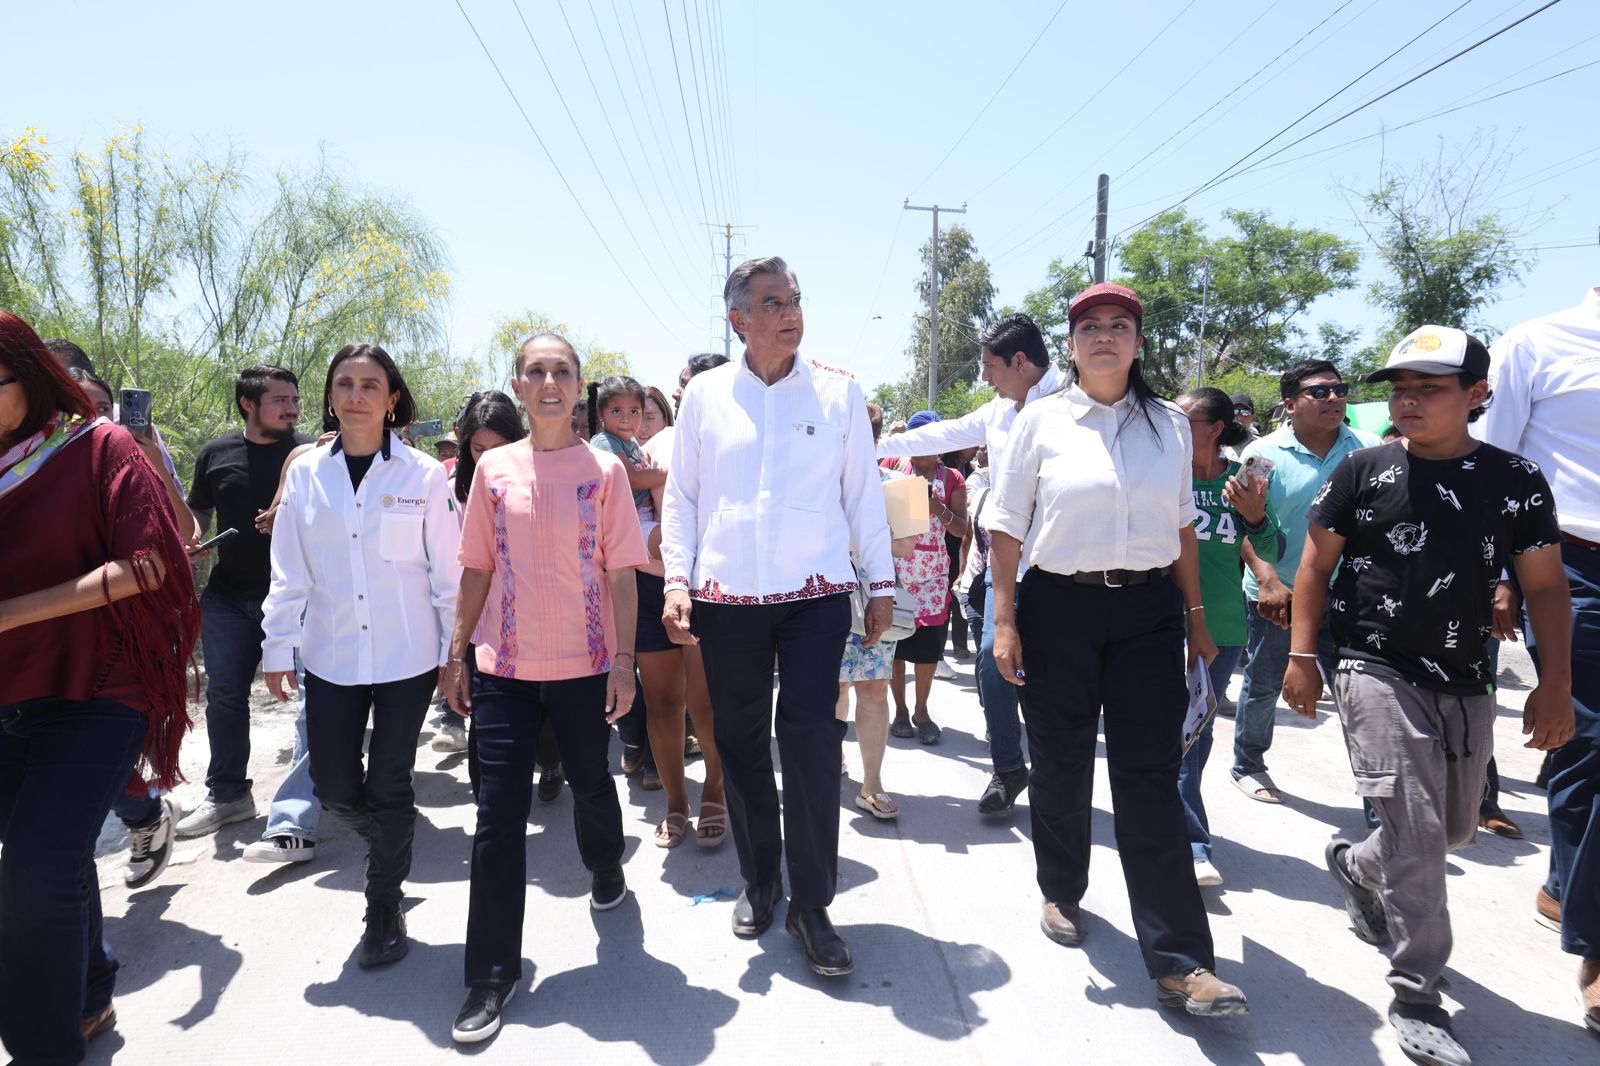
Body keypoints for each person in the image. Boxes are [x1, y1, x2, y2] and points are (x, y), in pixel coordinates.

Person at [1285, 325, 1574, 1063]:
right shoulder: (1362, 471)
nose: (1408, 401)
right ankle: (1418, 992)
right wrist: (1302, 656)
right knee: (1418, 830)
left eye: (1430, 388)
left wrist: (1556, 684)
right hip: (1370, 665)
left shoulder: (1516, 480)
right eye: (1399, 388)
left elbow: (1543, 586)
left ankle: (1358, 866)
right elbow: (1314, 569)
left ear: (1479, 396)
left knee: (1450, 832)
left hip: (1466, 674)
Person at [987, 282, 1247, 1017]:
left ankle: (1182, 962)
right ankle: (1062, 888)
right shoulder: (1040, 422)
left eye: (1120, 325)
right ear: (1071, 346)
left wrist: (1196, 618)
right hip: (1057, 609)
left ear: (1138, 342)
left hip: (1147, 613)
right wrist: (1005, 621)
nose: (1105, 335)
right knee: (1063, 761)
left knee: (1148, 778)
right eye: (1090, 326)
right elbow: (1007, 527)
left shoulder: (1167, 424)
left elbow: (1183, 528)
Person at [662, 256, 894, 977]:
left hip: (815, 596)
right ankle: (762, 879)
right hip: (727, 600)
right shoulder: (703, 396)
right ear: (739, 320)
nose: (790, 311)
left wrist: (880, 581)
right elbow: (683, 498)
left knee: (812, 741)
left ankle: (812, 904)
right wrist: (677, 576)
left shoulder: (838, 392)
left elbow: (863, 494)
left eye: (794, 298)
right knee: (737, 741)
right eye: (772, 302)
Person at [0, 310, 201, 1062]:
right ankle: (88, 993)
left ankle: (40, 1049)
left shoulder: (98, 447)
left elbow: (153, 562)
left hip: (97, 690)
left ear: (31, 377)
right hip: (7, 693)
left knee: (34, 873)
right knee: (42, 859)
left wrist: (14, 612)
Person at [445, 332, 645, 1044]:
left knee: (592, 783)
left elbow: (621, 574)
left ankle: (603, 863)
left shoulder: (606, 472)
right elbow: (475, 567)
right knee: (497, 816)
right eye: (537, 371)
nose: (550, 381)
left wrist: (623, 662)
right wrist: (458, 652)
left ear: (577, 385)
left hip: (586, 668)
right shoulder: (493, 470)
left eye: (562, 371)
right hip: (504, 670)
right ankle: (490, 975)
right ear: (520, 386)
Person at [260, 343, 459, 968]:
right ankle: (389, 846)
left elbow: (447, 576)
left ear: (391, 397)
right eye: (344, 383)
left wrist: (457, 658)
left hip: (407, 656)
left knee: (391, 783)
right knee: (335, 785)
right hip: (331, 654)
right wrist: (278, 643)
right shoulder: (305, 474)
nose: (356, 395)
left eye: (370, 384)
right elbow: (288, 568)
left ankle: (383, 907)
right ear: (330, 395)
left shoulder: (423, 475)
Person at [1475, 287, 1600, 1033]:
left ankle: (1565, 885)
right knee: (1582, 745)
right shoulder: (1540, 342)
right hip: (1572, 566)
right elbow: (1498, 467)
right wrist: (1498, 576)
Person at [880, 312, 1061, 817]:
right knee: (991, 663)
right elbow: (930, 437)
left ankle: (1057, 775)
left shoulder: (1076, 403)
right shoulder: (996, 412)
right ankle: (1007, 768)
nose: (984, 376)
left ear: (1020, 362)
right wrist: (863, 447)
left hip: (1067, 570)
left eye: (988, 366)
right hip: (1008, 569)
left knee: (1055, 679)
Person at [63, 366, 192, 887]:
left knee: (80, 758)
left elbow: (184, 529)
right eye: (72, 407)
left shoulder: (132, 455)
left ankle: (143, 815)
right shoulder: (23, 466)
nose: (85, 420)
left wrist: (152, 456)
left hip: (122, 636)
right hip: (39, 643)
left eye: (97, 407)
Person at [1231, 360, 1379, 803]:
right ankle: (1248, 763)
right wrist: (1267, 577)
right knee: (1264, 682)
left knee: (1362, 693)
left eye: (1339, 389)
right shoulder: (1260, 457)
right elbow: (1240, 524)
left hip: (1354, 600)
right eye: (1319, 392)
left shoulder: (1369, 451)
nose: (1333, 398)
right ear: (1289, 405)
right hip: (1280, 595)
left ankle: (1378, 789)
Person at [177, 365, 312, 838]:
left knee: (311, 704)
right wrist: (191, 535)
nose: (292, 408)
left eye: (294, 399)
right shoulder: (215, 453)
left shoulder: (312, 454)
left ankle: (315, 798)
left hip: (299, 602)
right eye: (280, 400)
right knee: (226, 698)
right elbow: (199, 508)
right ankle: (228, 794)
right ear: (247, 404)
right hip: (229, 598)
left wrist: (289, 510)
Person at [592, 373, 725, 847]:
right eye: (629, 413)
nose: (637, 422)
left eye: (645, 413)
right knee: (664, 702)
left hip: (700, 589)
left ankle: (714, 790)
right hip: (643, 591)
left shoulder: (704, 444)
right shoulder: (621, 453)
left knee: (706, 706)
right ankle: (676, 802)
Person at [1174, 387, 1283, 888]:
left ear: (1215, 428)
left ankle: (1192, 845)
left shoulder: (1242, 482)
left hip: (1220, 631)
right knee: (1160, 736)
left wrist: (1257, 516)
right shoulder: (1161, 474)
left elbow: (1268, 543)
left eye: (1185, 417)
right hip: (1153, 625)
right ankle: (1178, 839)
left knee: (1193, 737)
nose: (1173, 423)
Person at [839, 403, 917, 820]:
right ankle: (833, 757)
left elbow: (906, 546)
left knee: (872, 688)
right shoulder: (818, 482)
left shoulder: (898, 484)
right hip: (826, 600)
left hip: (874, 599)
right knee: (833, 690)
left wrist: (871, 534)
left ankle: (871, 785)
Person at [881, 413, 967, 745]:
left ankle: (922, 710)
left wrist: (936, 507)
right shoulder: (893, 465)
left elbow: (961, 529)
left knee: (929, 649)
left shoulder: (953, 478)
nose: (920, 451)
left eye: (928, 443)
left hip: (933, 575)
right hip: (896, 570)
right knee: (896, 644)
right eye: (914, 443)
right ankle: (900, 711)